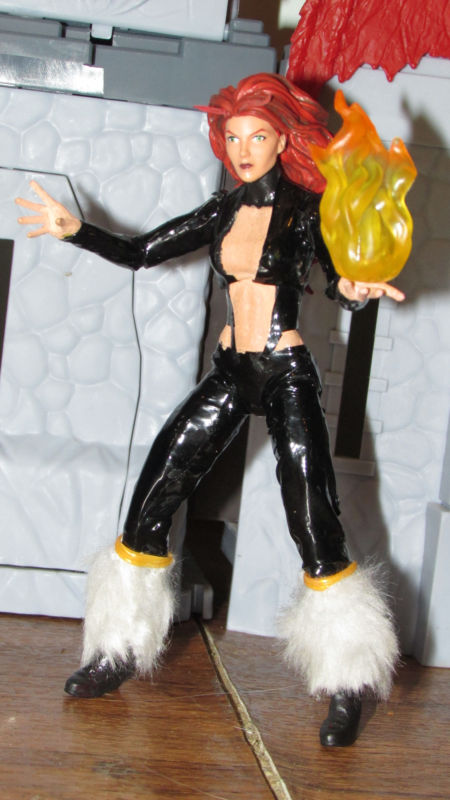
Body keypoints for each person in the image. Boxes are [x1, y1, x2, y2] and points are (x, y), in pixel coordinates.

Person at [16, 73, 403, 747]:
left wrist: (357, 289)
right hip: (230, 371)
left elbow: (341, 279)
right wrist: (74, 230)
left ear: (282, 139)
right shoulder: (223, 211)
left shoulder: (308, 210)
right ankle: (118, 647)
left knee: (313, 517)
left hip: (284, 373)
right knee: (154, 491)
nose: (244, 149)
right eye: (234, 136)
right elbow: (143, 251)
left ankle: (347, 680)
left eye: (258, 135)